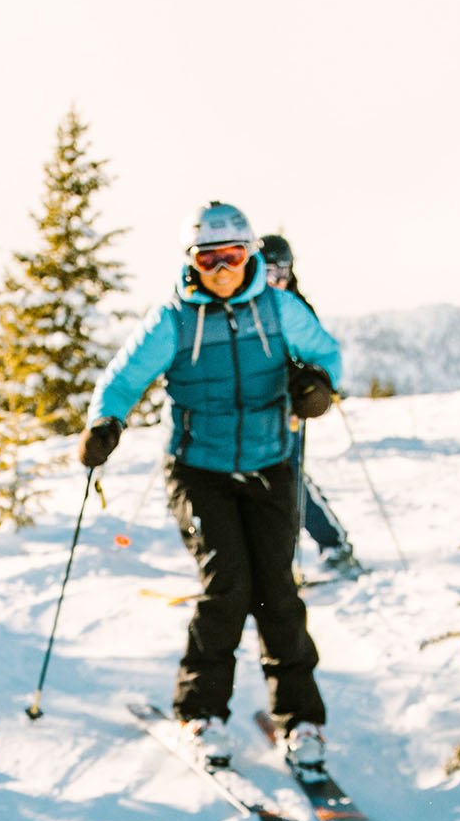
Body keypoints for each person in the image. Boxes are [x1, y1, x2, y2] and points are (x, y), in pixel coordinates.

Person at [81, 202, 342, 769]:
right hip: (198, 469)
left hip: (270, 462)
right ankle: (201, 712)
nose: (221, 269)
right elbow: (123, 378)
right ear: (191, 262)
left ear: (249, 255)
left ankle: (301, 721)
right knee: (228, 585)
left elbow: (326, 353)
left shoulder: (278, 307)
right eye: (208, 258)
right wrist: (106, 421)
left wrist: (318, 386)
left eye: (232, 256)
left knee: (277, 590)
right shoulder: (172, 320)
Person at [257, 231, 364, 583]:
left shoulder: (294, 306)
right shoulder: (250, 308)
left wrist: (315, 385)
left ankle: (332, 543)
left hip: (289, 408)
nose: (276, 279)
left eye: (282, 271)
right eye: (268, 271)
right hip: (256, 407)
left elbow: (320, 356)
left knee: (289, 477)